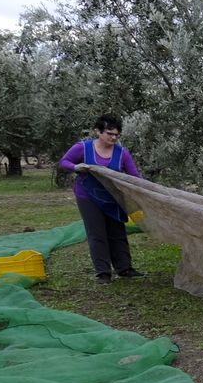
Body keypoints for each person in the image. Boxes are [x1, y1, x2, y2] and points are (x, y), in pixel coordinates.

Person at [58, 114, 145, 284]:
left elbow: (134, 176)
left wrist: (147, 190)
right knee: (97, 234)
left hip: (113, 198)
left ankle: (125, 268)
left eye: (116, 135)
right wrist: (76, 167)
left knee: (117, 232)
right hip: (88, 196)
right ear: (98, 131)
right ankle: (103, 273)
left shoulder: (122, 153)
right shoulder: (83, 148)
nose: (113, 138)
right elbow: (64, 162)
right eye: (109, 133)